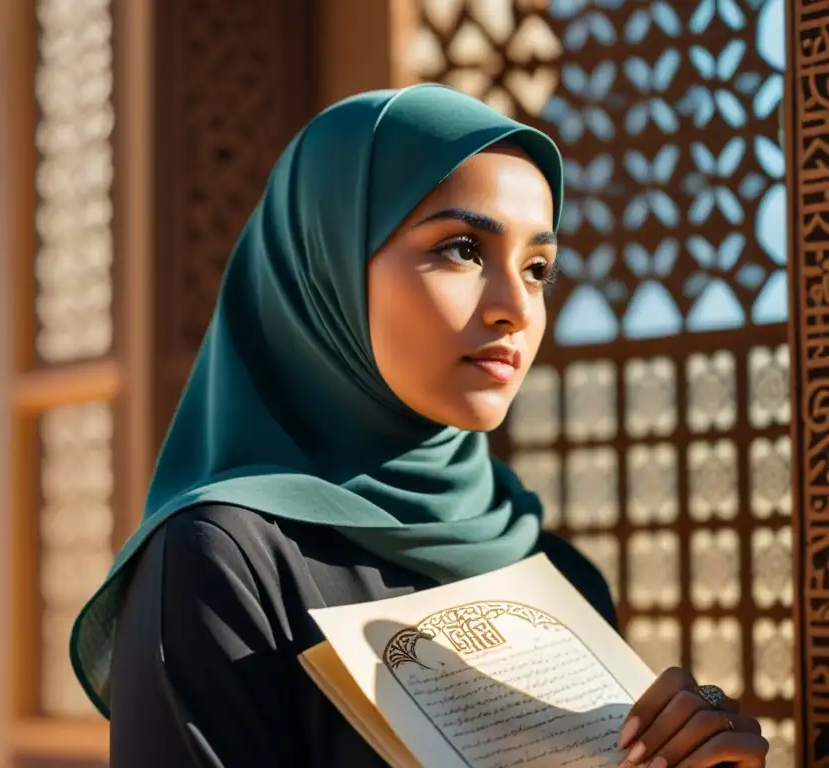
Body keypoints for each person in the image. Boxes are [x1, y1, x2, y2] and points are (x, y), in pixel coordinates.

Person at [69, 85, 769, 767]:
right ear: (326, 264)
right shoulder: (226, 559)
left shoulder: (557, 576)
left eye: (537, 269)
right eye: (463, 248)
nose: (515, 309)